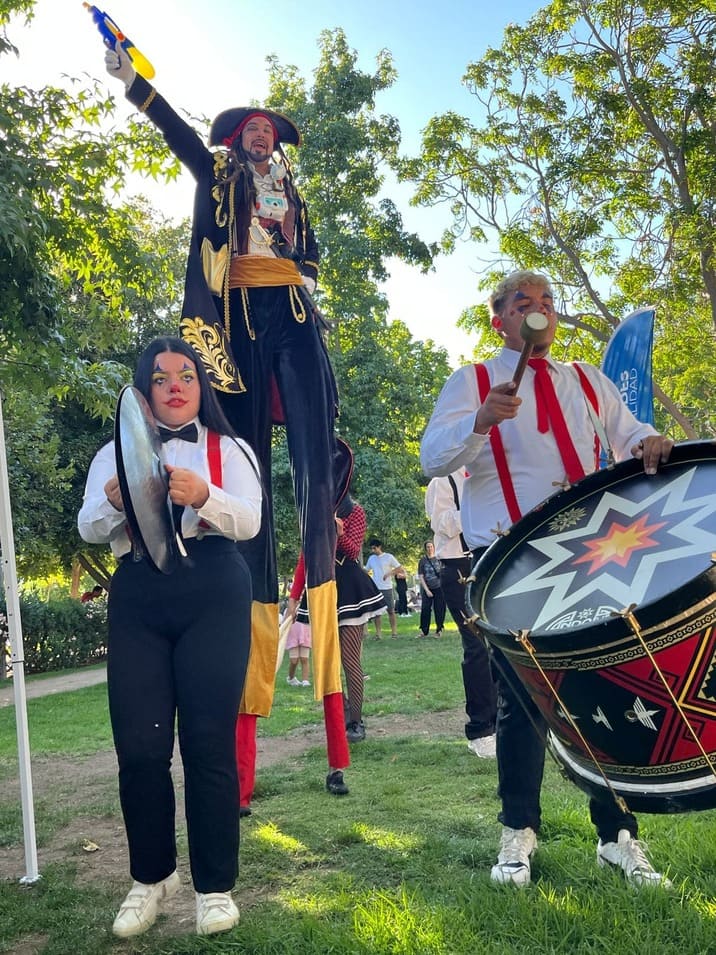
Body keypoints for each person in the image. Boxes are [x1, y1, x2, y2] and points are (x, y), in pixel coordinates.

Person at [104, 46, 348, 819]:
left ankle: (336, 726)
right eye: (251, 129)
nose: (261, 135)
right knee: (248, 488)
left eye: (269, 129)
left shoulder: (292, 194)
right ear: (237, 140)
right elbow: (180, 134)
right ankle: (241, 752)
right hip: (235, 318)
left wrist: (289, 244)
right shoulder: (219, 176)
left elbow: (309, 261)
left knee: (312, 484)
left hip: (292, 312)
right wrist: (135, 85)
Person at [421, 270, 675, 889]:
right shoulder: (472, 381)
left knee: (605, 689)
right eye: (523, 303)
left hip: (591, 554)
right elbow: (433, 458)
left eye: (546, 302)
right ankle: (518, 832)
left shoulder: (587, 379)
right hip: (509, 558)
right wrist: (480, 420)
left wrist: (651, 441)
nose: (540, 311)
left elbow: (630, 434)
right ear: (500, 320)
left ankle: (617, 837)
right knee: (523, 700)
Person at [78, 337, 262, 937]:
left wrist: (206, 495)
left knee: (208, 743)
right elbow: (87, 526)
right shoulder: (111, 453)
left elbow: (252, 520)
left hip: (213, 588)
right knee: (139, 747)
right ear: (143, 391)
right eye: (161, 378)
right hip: (139, 591)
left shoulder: (230, 447)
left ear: (201, 386)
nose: (176, 386)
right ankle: (151, 877)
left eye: (186, 375)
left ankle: (215, 888)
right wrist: (115, 504)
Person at [289, 487, 387, 773]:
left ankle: (356, 720)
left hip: (351, 589)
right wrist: (294, 595)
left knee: (350, 660)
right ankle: (340, 714)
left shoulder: (354, 510)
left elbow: (354, 550)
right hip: (321, 589)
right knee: (326, 661)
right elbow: (306, 556)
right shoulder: (313, 510)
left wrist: (338, 532)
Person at [425, 470, 497, 757]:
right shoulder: (442, 481)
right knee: (477, 647)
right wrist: (476, 507)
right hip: (458, 568)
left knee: (500, 646)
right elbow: (441, 524)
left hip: (489, 561)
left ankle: (502, 719)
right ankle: (481, 729)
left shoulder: (487, 474)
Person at [364, 539, 404, 639]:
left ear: (379, 547)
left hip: (387, 587)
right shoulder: (371, 558)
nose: (373, 550)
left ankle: (394, 633)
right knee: (377, 612)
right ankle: (378, 634)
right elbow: (366, 570)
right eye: (372, 548)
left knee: (391, 611)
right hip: (376, 588)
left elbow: (400, 568)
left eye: (375, 548)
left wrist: (390, 573)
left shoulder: (389, 557)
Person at [416, 541, 446, 638]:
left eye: (431, 546)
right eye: (428, 547)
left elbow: (444, 572)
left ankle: (439, 629)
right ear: (425, 549)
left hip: (439, 588)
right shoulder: (422, 561)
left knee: (439, 609)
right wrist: (427, 590)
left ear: (434, 547)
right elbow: (421, 576)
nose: (430, 549)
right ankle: (424, 630)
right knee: (425, 609)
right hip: (427, 588)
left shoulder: (439, 559)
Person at [284, 613, 311, 687]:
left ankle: (305, 680)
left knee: (304, 658)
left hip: (305, 632)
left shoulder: (307, 609)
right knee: (294, 661)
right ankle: (291, 678)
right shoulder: (290, 609)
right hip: (293, 634)